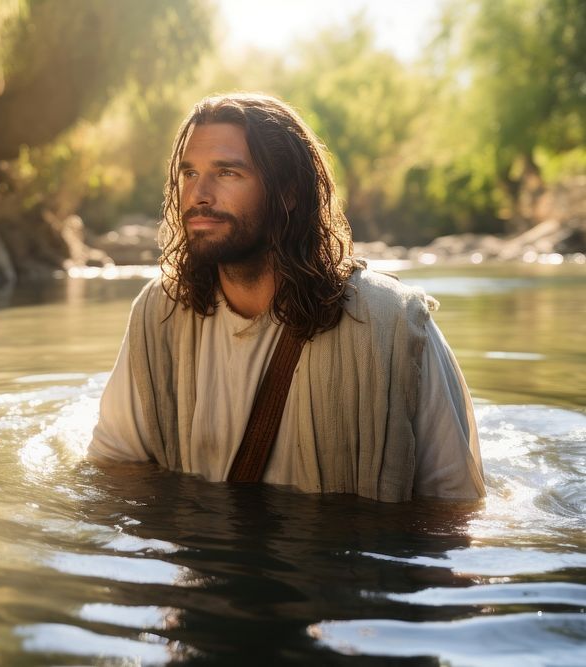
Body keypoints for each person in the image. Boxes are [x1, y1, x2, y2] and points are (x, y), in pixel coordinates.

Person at [88, 93, 485, 502]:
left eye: (227, 173)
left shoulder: (393, 323)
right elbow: (113, 465)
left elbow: (455, 510)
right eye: (189, 173)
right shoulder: (159, 313)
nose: (198, 195)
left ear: (289, 192)